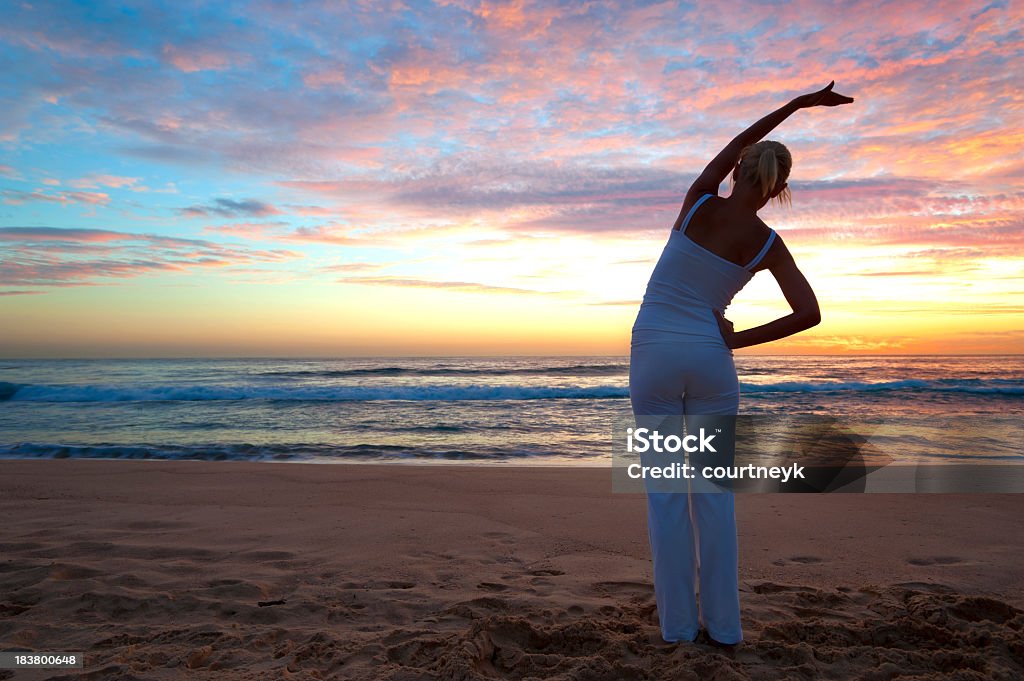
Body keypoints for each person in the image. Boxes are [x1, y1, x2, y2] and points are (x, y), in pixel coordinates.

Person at [629, 81, 854, 646]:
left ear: (738, 172)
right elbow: (809, 314)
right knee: (713, 496)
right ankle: (726, 630)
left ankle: (679, 630)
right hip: (710, 358)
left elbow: (739, 139)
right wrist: (735, 342)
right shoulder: (767, 243)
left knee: (666, 495)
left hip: (655, 352)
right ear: (778, 189)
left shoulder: (701, 200)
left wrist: (798, 106)